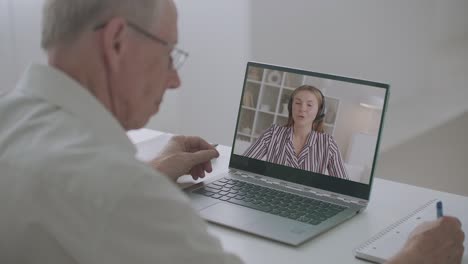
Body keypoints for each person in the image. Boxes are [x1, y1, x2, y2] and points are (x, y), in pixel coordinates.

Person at [0, 0, 463, 263]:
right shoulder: (120, 194)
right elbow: (108, 199)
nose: (174, 79)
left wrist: (152, 172)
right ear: (117, 41)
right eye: (169, 54)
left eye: (311, 105)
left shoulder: (10, 122)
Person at [244, 85, 349, 179]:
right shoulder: (272, 134)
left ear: (319, 111)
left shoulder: (328, 144)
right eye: (298, 103)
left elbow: (344, 187)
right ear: (291, 107)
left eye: (309, 105)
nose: (302, 108)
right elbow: (243, 166)